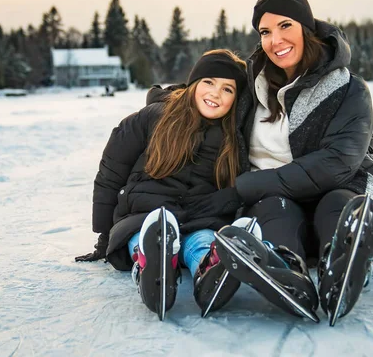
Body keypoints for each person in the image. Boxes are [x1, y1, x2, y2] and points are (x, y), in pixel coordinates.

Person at [208, 0, 373, 321]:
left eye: (285, 26)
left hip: (334, 188)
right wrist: (164, 104)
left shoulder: (349, 89)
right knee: (274, 211)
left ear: (305, 26)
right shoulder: (253, 87)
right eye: (265, 31)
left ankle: (343, 266)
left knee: (338, 204)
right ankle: (287, 273)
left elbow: (337, 162)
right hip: (272, 200)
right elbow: (207, 95)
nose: (275, 40)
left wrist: (247, 186)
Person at [75, 49, 249, 318]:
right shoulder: (153, 117)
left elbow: (236, 187)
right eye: (209, 82)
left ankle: (209, 272)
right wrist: (104, 234)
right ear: (193, 84)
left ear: (235, 100)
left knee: (202, 242)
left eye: (227, 89)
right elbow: (111, 172)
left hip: (198, 218)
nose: (216, 93)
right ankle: (151, 266)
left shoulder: (232, 139)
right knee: (148, 236)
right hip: (145, 214)